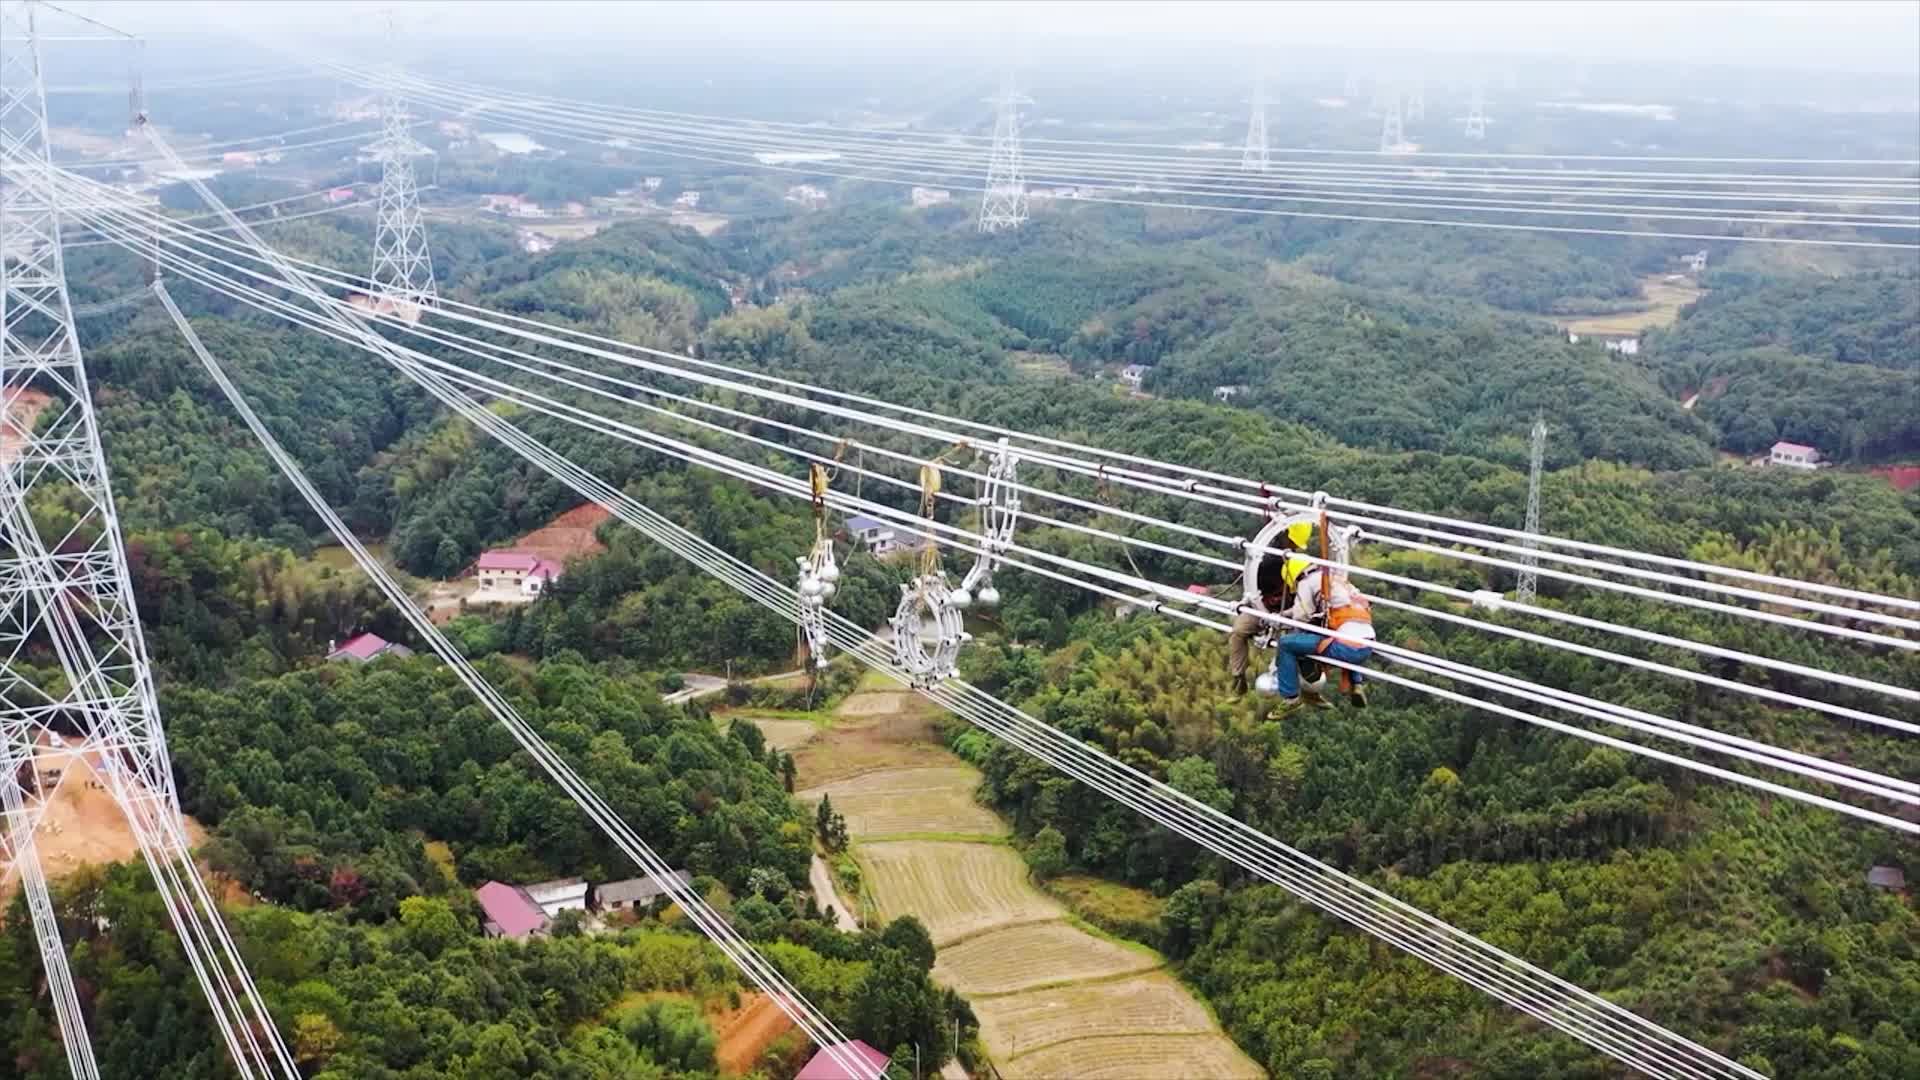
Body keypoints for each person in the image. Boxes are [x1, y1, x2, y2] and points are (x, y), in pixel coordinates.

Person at [1269, 561, 1375, 713]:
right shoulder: (1336, 579)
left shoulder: (1306, 583)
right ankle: (1356, 682)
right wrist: (1284, 614)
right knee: (1346, 635)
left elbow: (1301, 616)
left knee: (1286, 644)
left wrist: (1282, 620)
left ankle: (1290, 699)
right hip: (1367, 643)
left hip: (1346, 648)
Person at [1228, 519, 1312, 694]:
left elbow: (1304, 598)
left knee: (1292, 642)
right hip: (1262, 606)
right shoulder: (1266, 559)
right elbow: (1250, 579)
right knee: (1238, 632)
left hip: (1290, 610)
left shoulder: (1294, 561)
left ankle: (1280, 675)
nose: (1294, 546)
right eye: (1294, 542)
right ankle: (1238, 676)